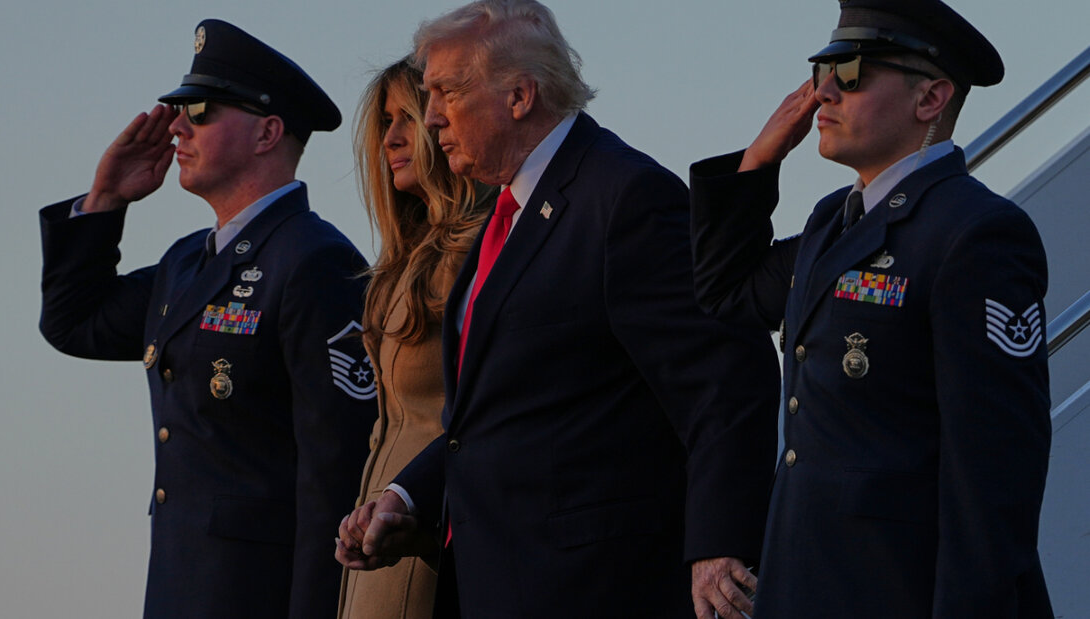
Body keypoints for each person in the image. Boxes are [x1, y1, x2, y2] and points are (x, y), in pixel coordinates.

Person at [335, 1, 780, 617]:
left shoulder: (623, 198)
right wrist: (408, 497)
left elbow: (726, 378)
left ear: (519, 96)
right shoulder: (504, 213)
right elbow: (497, 415)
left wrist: (720, 546)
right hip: (497, 582)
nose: (432, 116)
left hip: (596, 586)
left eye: (447, 92)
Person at [689, 0, 1054, 616]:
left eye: (853, 72)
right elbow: (729, 293)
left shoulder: (975, 232)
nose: (825, 91)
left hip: (899, 589)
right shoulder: (836, 220)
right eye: (820, 70)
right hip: (806, 582)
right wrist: (758, 164)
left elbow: (994, 475)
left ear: (930, 99)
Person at [38, 19, 377, 619]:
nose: (176, 127)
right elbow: (75, 322)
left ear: (268, 132)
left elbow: (336, 475)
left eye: (199, 109)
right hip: (180, 590)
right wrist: (105, 199)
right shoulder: (186, 262)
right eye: (176, 109)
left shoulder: (313, 260)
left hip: (261, 596)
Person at [335, 58, 492, 619]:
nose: (392, 138)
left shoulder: (482, 252)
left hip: (431, 537)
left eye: (408, 116)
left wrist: (407, 503)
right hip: (377, 535)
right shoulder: (401, 262)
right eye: (385, 122)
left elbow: (480, 417)